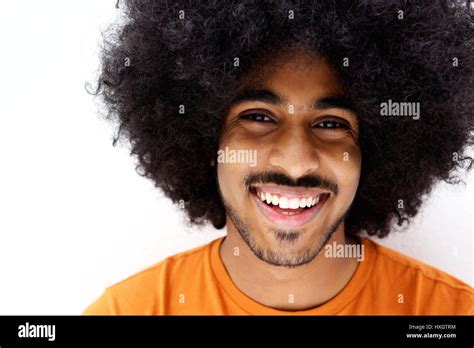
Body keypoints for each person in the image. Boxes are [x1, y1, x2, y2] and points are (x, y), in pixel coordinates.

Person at [84, 0, 473, 315]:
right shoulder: (128, 312)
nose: (295, 162)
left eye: (331, 123)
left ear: (372, 153)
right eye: (257, 117)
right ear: (207, 145)